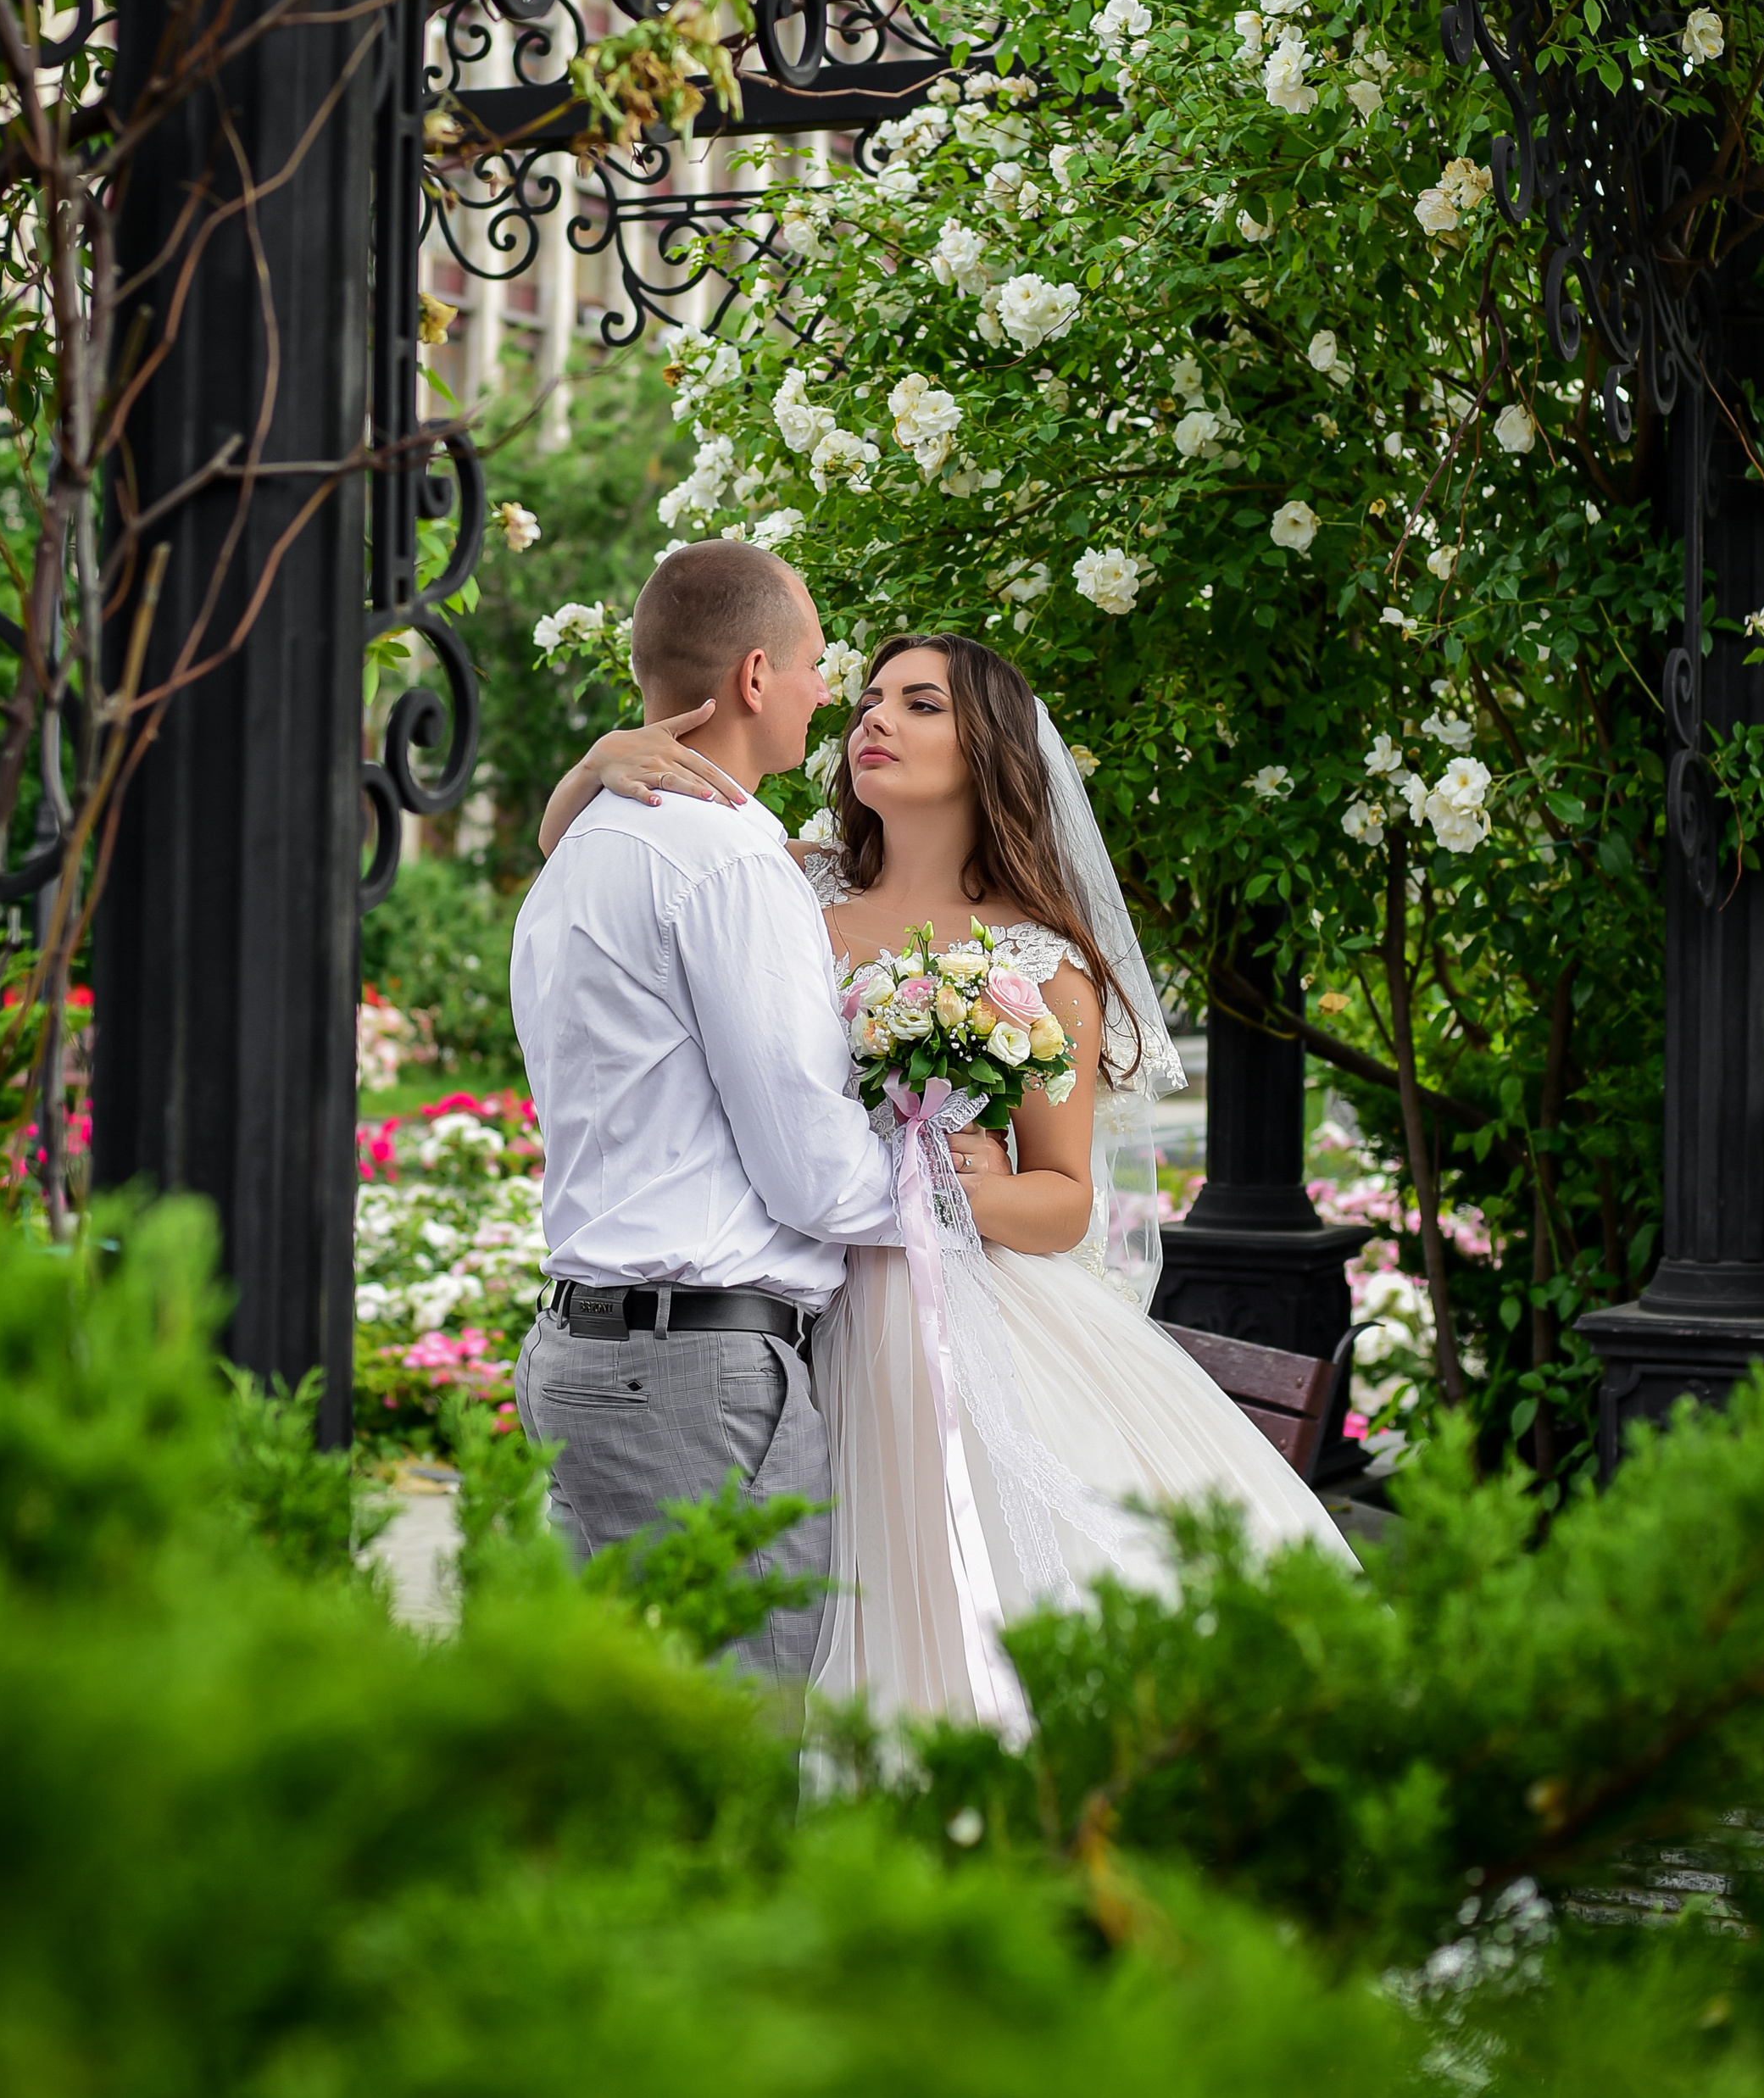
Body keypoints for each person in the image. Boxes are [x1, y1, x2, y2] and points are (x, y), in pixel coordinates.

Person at [552, 626, 1353, 1731]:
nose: (873, 718)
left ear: (989, 752)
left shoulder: (1042, 964)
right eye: (869, 700)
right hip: (780, 1315)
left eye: (919, 704)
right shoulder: (785, 883)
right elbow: (614, 860)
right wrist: (594, 767)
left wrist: (952, 1189)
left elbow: (1065, 1199)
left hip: (956, 1325)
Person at [509, 541, 1004, 1682]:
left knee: (617, 1724)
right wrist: (957, 1189)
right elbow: (813, 1174)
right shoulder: (729, 864)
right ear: (751, 676)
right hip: (692, 1381)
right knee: (742, 1729)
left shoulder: (581, 848)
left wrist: (587, 770)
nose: (831, 694)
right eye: (819, 664)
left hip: (582, 1351)